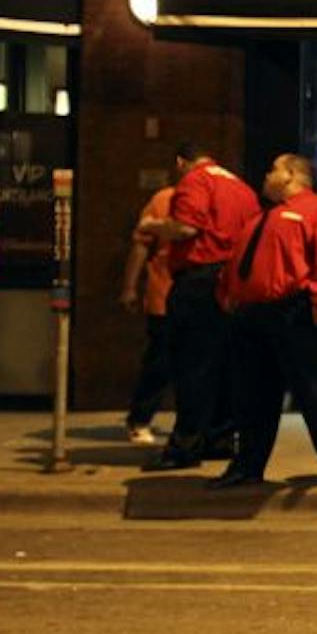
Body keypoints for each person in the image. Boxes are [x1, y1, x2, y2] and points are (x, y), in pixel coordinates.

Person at [209, 154, 317, 492]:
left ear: (291, 175)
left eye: (272, 170)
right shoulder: (263, 217)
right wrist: (229, 293)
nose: (265, 176)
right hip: (253, 314)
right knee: (252, 394)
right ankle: (248, 466)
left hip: (296, 311)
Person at [145, 141, 261, 471]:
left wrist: (154, 226)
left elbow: (186, 227)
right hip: (234, 281)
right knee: (226, 364)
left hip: (199, 280)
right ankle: (220, 438)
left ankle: (186, 444)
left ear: (181, 162)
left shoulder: (195, 181)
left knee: (192, 364)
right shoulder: (241, 187)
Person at [116, 183, 178, 446]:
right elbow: (141, 245)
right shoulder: (165, 199)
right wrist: (129, 287)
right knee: (160, 360)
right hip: (164, 291)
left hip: (188, 293)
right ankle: (140, 418)